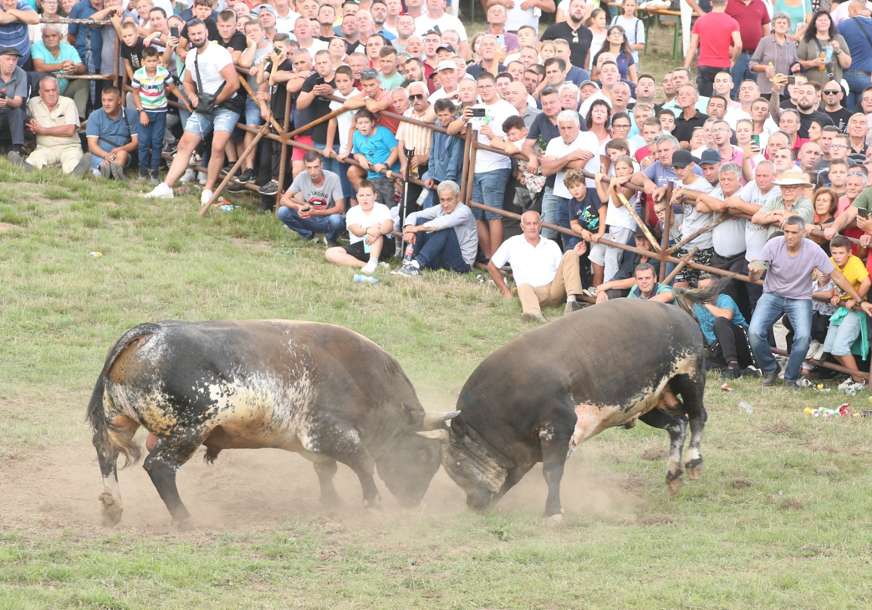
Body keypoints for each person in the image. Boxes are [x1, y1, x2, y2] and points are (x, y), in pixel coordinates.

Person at [748, 215, 872, 387]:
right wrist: (753, 271)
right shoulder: (772, 245)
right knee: (754, 332)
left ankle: (791, 378)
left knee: (804, 337)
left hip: (800, 298)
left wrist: (859, 300)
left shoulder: (813, 249)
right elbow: (755, 277)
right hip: (772, 295)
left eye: (794, 232)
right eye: (786, 231)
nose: (789, 236)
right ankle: (771, 369)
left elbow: (837, 277)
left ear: (804, 233)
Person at [144, 19, 241, 204]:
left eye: (199, 33)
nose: (197, 36)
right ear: (188, 36)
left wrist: (215, 101)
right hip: (205, 104)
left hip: (227, 104)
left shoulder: (218, 53)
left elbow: (233, 83)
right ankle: (166, 186)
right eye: (193, 34)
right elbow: (188, 82)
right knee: (185, 144)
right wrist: (192, 96)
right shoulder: (191, 55)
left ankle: (208, 190)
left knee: (218, 146)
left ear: (206, 32)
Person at [487, 210, 584, 322]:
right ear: (522, 226)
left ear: (540, 225)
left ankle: (571, 303)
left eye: (535, 223)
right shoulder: (512, 243)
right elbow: (492, 266)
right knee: (523, 286)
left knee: (571, 253)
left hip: (553, 289)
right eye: (528, 224)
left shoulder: (551, 244)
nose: (532, 227)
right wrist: (505, 291)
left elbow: (561, 273)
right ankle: (533, 314)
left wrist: (573, 256)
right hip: (531, 292)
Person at [396, 180, 478, 276]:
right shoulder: (440, 208)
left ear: (457, 198)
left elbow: (443, 223)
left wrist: (416, 229)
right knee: (421, 220)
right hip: (443, 258)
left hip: (462, 264)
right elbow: (415, 215)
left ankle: (417, 264)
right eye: (442, 200)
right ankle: (410, 262)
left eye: (449, 199)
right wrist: (409, 227)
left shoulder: (464, 211)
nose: (445, 204)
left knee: (444, 229)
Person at [821, 235, 871, 390]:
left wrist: (857, 300)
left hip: (856, 310)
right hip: (842, 308)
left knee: (840, 347)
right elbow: (829, 281)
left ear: (849, 252)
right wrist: (835, 295)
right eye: (834, 253)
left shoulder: (855, 262)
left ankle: (859, 381)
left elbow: (867, 282)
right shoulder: (830, 262)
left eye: (841, 253)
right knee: (830, 348)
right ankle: (856, 378)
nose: (837, 257)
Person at [324, 180, 395, 275]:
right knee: (330, 253)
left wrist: (377, 232)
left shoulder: (382, 208)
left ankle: (373, 261)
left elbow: (389, 226)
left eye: (368, 195)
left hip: (383, 246)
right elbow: (356, 230)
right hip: (359, 248)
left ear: (375, 196)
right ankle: (366, 265)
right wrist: (369, 230)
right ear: (357, 197)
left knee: (376, 234)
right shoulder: (352, 211)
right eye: (361, 195)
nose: (365, 199)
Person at [131, 45, 180, 182]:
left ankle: (154, 173)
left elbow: (173, 87)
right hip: (145, 111)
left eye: (154, 61)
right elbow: (135, 93)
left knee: (157, 142)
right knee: (143, 143)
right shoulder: (138, 74)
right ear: (143, 62)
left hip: (160, 112)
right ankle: (142, 172)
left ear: (158, 60)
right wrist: (141, 111)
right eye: (149, 61)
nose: (152, 64)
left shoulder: (163, 72)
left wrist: (185, 102)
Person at [277, 152, 346, 247]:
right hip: (308, 216)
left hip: (326, 218)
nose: (313, 171)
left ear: (322, 165)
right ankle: (308, 234)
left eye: (316, 167)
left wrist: (316, 212)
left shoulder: (333, 178)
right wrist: (298, 206)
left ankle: (330, 239)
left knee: (337, 220)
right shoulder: (301, 176)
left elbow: (340, 208)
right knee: (282, 211)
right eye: (309, 168)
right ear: (305, 167)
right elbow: (284, 199)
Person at [691, 273, 754, 378]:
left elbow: (726, 316)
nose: (703, 291)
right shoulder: (696, 306)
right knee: (696, 361)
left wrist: (706, 304)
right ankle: (738, 370)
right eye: (700, 288)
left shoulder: (724, 299)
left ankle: (733, 365)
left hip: (741, 345)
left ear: (715, 289)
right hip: (718, 349)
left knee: (720, 322)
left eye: (707, 288)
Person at [24, 76, 89, 175]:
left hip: (69, 147)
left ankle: (77, 172)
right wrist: (30, 121)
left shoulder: (68, 103)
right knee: (34, 161)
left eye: (54, 90)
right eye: (47, 91)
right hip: (45, 147)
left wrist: (44, 130)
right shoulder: (33, 103)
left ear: (58, 90)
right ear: (40, 93)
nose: (51, 93)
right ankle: (25, 166)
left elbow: (70, 130)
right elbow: (24, 117)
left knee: (71, 164)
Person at [684, 0, 741, 97]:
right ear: (726, 2)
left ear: (711, 3)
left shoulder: (701, 21)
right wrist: (733, 60)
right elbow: (738, 44)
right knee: (722, 99)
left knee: (704, 99)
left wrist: (685, 68)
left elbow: (692, 47)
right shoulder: (732, 22)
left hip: (704, 64)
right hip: (723, 65)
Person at [85, 86, 137, 179]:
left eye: (110, 100)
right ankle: (108, 172)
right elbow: (92, 146)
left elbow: (135, 143)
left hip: (120, 153)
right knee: (91, 157)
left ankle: (103, 171)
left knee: (123, 153)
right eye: (103, 100)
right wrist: (106, 155)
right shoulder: (95, 115)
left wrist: (119, 149)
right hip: (100, 153)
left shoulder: (131, 114)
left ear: (119, 100)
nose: (106, 104)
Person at [0, 46, 27, 165]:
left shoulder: (21, 73)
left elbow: (18, 101)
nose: (11, 63)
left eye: (14, 59)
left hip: (9, 111)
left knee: (17, 111)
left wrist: (7, 101)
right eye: (8, 59)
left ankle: (17, 150)